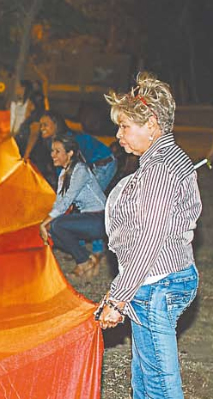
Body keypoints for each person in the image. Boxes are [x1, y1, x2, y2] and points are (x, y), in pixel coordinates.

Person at [97, 72, 201, 399]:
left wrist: (118, 297)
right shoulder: (167, 158)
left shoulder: (159, 169)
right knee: (144, 375)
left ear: (152, 124)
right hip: (161, 279)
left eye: (125, 126)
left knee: (160, 386)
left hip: (157, 282)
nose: (118, 135)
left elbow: (148, 241)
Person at [38, 134, 106, 278]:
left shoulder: (80, 169)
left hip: (101, 219)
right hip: (88, 218)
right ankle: (87, 259)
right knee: (52, 230)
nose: (52, 155)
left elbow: (67, 201)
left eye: (57, 151)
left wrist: (45, 223)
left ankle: (83, 261)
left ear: (70, 153)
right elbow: (59, 202)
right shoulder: (63, 173)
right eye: (52, 151)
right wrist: (46, 224)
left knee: (56, 225)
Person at [38, 112, 117, 191]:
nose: (41, 128)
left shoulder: (69, 140)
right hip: (91, 166)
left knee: (90, 196)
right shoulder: (53, 142)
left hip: (104, 164)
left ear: (56, 124)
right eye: (40, 125)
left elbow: (77, 167)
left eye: (45, 125)